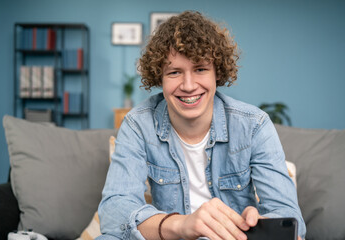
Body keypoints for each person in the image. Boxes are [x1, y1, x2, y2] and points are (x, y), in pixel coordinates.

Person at [96, 11, 306, 240]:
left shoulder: (254, 125)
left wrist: (257, 225)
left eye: (200, 69)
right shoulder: (138, 124)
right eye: (174, 72)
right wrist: (181, 225)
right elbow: (113, 214)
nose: (188, 86)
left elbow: (290, 220)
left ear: (217, 72)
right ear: (160, 77)